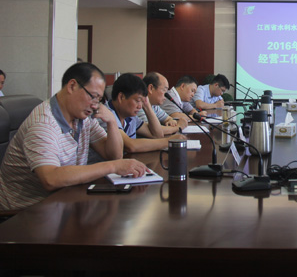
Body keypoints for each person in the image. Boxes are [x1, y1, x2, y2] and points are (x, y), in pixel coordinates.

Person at [0, 63, 148, 211]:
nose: (95, 105)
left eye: (99, 99)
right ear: (72, 86)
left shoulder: (83, 117)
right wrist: (113, 167)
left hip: (64, 201)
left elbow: (114, 155)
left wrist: (111, 122)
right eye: (93, 97)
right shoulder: (43, 124)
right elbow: (50, 179)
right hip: (26, 212)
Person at [106, 73, 187, 153]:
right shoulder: (107, 115)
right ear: (121, 97)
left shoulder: (130, 116)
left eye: (142, 101)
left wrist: (147, 106)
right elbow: (131, 145)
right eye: (138, 100)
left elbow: (157, 135)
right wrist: (169, 141)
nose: (140, 106)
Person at [137, 72, 188, 137]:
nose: (166, 95)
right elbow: (153, 131)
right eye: (164, 90)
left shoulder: (154, 106)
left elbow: (168, 118)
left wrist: (171, 121)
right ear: (151, 88)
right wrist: (178, 127)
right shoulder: (139, 107)